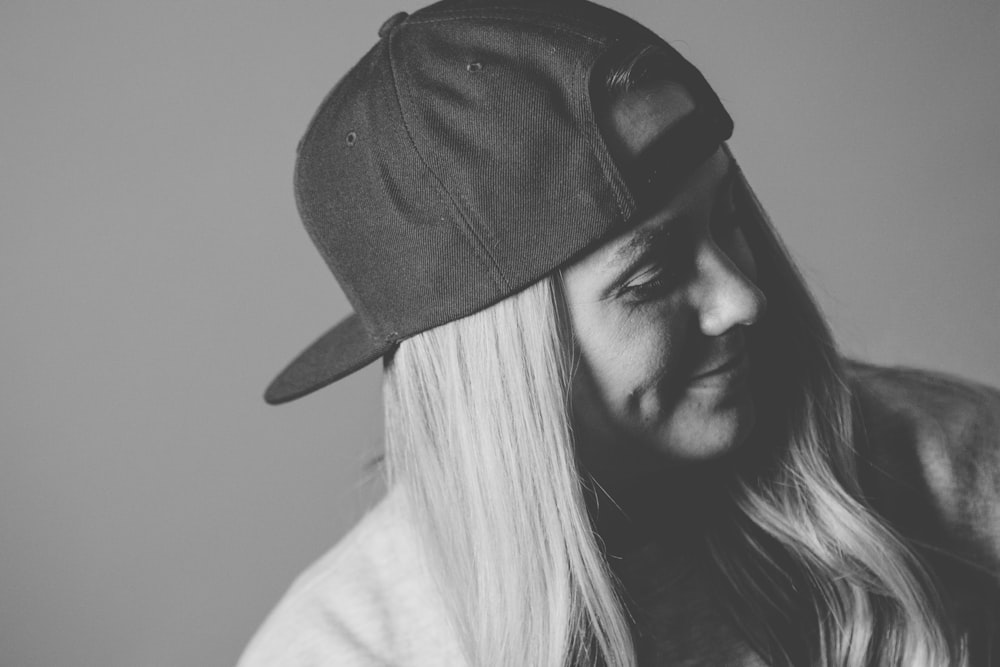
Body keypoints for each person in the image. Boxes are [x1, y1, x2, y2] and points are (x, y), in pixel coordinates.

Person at [238, 1, 1000, 665]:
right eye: (652, 277)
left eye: (727, 219)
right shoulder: (343, 650)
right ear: (508, 369)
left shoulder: (946, 464)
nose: (743, 297)